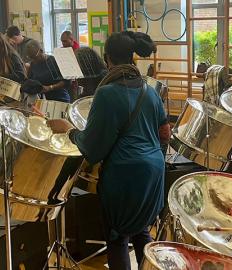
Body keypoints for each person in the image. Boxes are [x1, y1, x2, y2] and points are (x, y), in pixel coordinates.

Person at [48, 31, 170, 270]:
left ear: (107, 59)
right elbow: (165, 133)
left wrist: (69, 130)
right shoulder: (150, 91)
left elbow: (92, 149)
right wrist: (151, 157)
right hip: (154, 172)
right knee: (141, 232)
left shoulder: (106, 94)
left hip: (124, 174)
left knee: (117, 239)